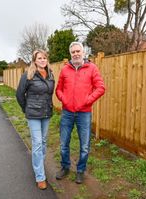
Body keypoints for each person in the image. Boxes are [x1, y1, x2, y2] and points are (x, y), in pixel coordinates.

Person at [55, 41, 105, 184]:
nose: (76, 54)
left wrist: (87, 100)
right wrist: (64, 99)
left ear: (83, 52)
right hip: (67, 113)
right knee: (64, 143)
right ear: (70, 54)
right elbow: (58, 89)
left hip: (84, 113)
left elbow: (100, 88)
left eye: (78, 51)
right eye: (73, 52)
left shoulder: (92, 68)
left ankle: (80, 170)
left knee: (84, 145)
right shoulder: (65, 70)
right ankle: (65, 167)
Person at [16, 49, 54, 190]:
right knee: (37, 143)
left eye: (44, 58)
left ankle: (38, 164)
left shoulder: (50, 75)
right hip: (33, 114)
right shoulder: (28, 75)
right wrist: (26, 109)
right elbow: (19, 94)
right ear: (34, 60)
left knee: (43, 141)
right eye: (39, 58)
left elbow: (49, 94)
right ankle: (40, 176)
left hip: (46, 113)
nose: (42, 60)